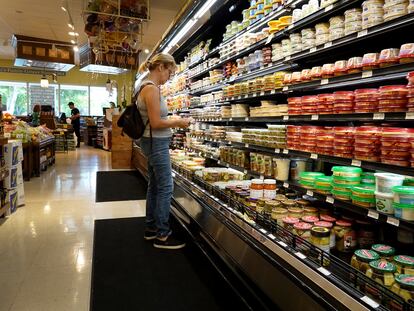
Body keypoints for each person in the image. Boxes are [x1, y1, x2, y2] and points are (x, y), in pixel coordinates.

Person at [138, 53, 192, 250]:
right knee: (166, 187)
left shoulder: (144, 85)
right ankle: (163, 234)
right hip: (156, 143)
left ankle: (151, 228)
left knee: (154, 186)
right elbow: (156, 122)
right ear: (160, 67)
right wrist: (177, 122)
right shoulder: (151, 89)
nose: (169, 76)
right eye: (170, 72)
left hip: (151, 141)